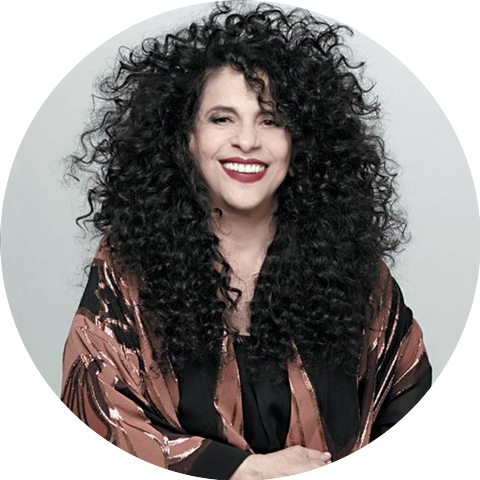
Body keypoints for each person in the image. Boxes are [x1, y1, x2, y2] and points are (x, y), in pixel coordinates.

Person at [60, 1, 432, 479]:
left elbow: (403, 399)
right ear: (187, 138)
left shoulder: (351, 267)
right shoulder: (130, 268)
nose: (247, 141)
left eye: (270, 120)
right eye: (222, 119)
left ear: (300, 140)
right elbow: (94, 411)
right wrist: (243, 472)